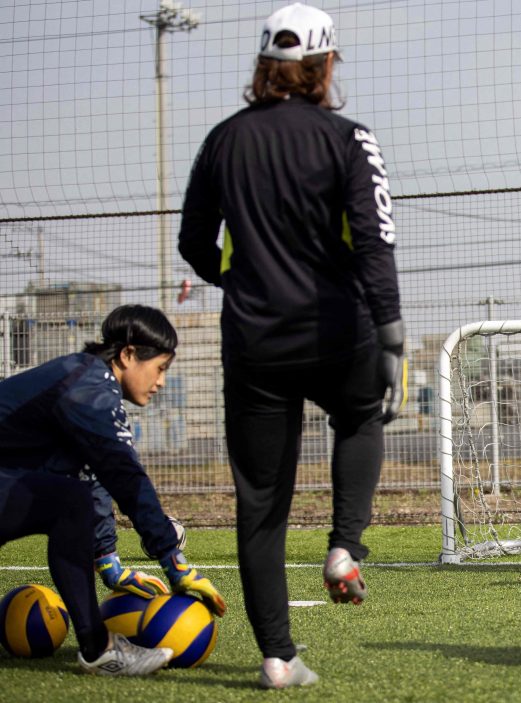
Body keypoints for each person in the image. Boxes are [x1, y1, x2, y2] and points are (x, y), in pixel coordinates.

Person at [178, 2, 405, 689]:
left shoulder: (222, 140)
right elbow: (374, 239)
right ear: (325, 64)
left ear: (264, 65)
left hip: (253, 341)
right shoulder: (349, 138)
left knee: (261, 504)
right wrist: (391, 331)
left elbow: (193, 242)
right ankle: (344, 547)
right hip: (338, 329)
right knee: (363, 415)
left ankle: (277, 657)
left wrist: (237, 276)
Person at [0, 305, 226, 676]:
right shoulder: (87, 388)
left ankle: (98, 646)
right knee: (69, 503)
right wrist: (172, 558)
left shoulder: (87, 380)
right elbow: (123, 474)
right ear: (128, 355)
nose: (161, 382)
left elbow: (94, 477)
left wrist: (108, 560)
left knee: (70, 501)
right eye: (161, 368)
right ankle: (99, 649)